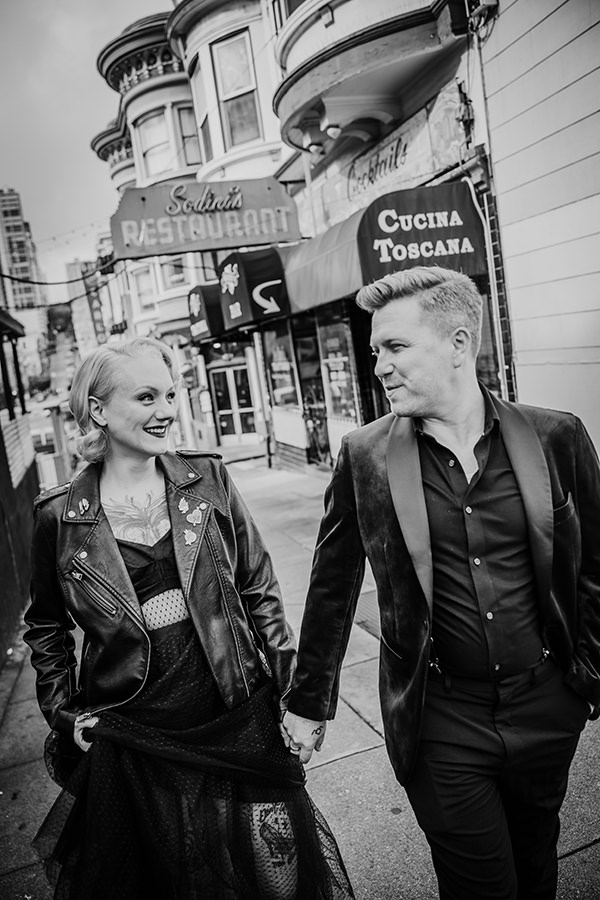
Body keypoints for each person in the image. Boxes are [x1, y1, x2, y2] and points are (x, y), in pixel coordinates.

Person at [282, 266, 600, 900]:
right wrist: (308, 700)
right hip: (439, 717)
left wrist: (588, 675)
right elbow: (332, 586)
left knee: (537, 866)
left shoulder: (555, 436)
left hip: (546, 706)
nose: (379, 367)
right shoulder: (365, 455)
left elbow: (593, 565)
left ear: (459, 344)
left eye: (395, 347)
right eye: (376, 351)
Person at [25, 336, 354, 900]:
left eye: (170, 394)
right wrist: (63, 711)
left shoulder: (208, 479)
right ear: (98, 410)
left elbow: (259, 588)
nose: (166, 410)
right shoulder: (59, 517)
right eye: (146, 397)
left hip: (236, 707)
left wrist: (295, 693)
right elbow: (46, 627)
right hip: (138, 730)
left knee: (278, 873)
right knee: (182, 876)